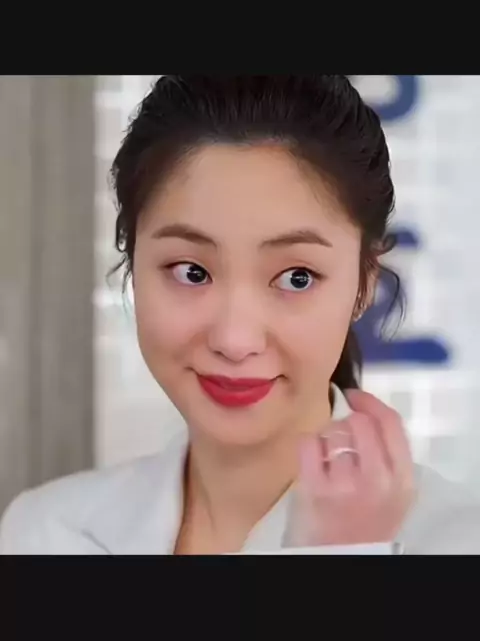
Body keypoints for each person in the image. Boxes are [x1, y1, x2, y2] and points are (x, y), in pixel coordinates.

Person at [1, 74, 479, 555]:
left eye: (297, 277)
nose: (235, 339)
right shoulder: (44, 532)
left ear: (364, 284)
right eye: (191, 272)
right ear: (133, 262)